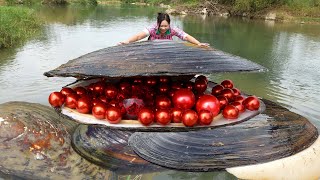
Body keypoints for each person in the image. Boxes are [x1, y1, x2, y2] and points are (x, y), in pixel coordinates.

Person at [118, 12, 209, 47]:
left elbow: (185, 37)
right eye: (161, 26)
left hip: (167, 49)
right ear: (157, 24)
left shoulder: (173, 29)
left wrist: (198, 43)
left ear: (169, 24)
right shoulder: (152, 28)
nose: (163, 28)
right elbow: (138, 36)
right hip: (152, 49)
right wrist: (127, 41)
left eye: (166, 26)